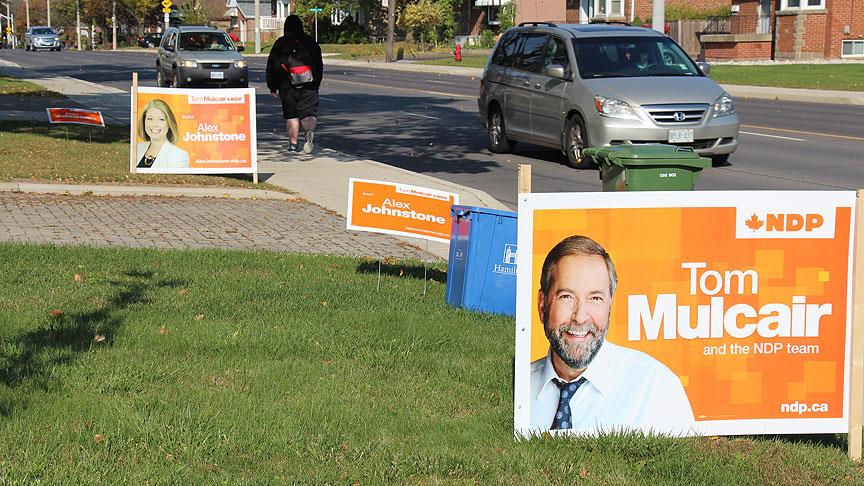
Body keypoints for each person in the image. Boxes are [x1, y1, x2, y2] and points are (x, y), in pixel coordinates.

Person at [530, 235, 695, 435]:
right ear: (542, 305)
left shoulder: (658, 388)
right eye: (566, 297)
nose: (580, 317)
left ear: (610, 304)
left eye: (595, 298)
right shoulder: (516, 390)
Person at [266, 14, 322, 154]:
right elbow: (318, 65)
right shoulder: (311, 43)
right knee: (309, 112)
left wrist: (272, 85)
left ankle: (293, 144)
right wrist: (316, 82)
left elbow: (272, 65)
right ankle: (309, 132)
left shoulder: (280, 43)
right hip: (309, 84)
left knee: (291, 115)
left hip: (287, 86)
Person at [135, 99, 189, 169]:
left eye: (161, 119)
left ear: (169, 124)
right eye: (150, 119)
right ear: (143, 121)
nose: (155, 124)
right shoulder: (137, 148)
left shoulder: (179, 155)